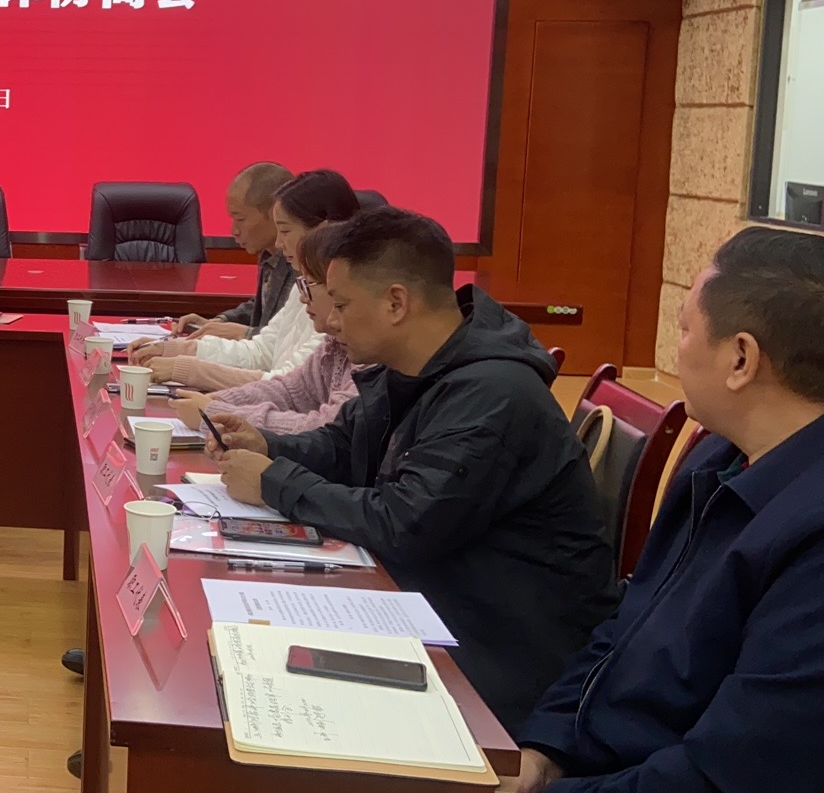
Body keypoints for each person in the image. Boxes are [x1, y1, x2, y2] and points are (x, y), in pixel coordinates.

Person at [207, 207, 615, 731]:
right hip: (437, 604)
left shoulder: (492, 395)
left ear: (396, 303)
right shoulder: (419, 367)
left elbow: (403, 522)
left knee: (270, 691)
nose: (331, 322)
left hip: (500, 651)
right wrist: (270, 445)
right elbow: (346, 443)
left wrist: (273, 482)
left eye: (343, 305)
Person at [496, 228, 824, 793]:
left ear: (741, 359)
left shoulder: (810, 538)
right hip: (606, 791)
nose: (677, 348)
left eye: (684, 328)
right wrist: (545, 749)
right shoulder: (717, 458)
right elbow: (624, 629)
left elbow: (739, 784)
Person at [132, 169, 357, 389]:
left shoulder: (341, 306)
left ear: (322, 230)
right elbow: (261, 351)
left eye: (286, 231)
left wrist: (188, 370)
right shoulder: (302, 285)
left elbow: (291, 386)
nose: (279, 243)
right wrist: (175, 349)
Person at [171, 223, 360, 434]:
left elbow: (329, 429)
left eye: (309, 285)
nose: (302, 297)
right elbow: (290, 389)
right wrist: (219, 400)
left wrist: (218, 413)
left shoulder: (372, 361)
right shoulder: (334, 345)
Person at [170, 162, 293, 341]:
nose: (233, 231)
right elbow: (265, 308)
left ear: (276, 211)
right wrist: (220, 321)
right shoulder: (269, 254)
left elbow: (290, 339)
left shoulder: (302, 263)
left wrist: (244, 333)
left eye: (240, 219)